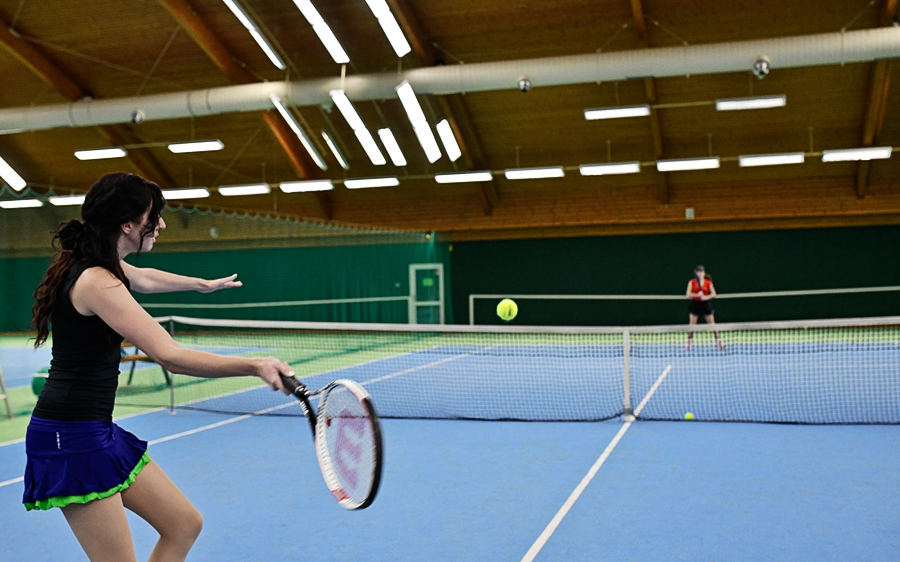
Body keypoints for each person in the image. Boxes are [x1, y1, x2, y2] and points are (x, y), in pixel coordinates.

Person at [25, 172, 295, 562]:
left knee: (184, 524)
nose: (162, 224)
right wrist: (255, 365)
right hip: (70, 439)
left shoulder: (100, 263)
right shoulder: (97, 281)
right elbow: (169, 355)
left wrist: (200, 284)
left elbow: (146, 279)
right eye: (155, 216)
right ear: (128, 224)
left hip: (94, 429)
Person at [685, 265, 724, 350]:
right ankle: (689, 342)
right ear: (696, 273)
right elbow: (688, 294)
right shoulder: (692, 282)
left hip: (705, 304)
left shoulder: (708, 282)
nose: (700, 273)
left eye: (702, 272)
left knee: (713, 325)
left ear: (704, 273)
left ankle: (719, 341)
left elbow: (714, 294)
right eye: (698, 272)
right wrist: (696, 295)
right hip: (695, 304)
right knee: (692, 326)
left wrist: (706, 297)